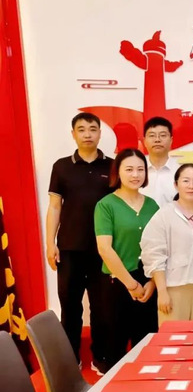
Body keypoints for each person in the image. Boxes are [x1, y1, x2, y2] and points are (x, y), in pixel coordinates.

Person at [46, 112, 112, 373]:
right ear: (73, 134)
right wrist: (50, 243)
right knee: (70, 306)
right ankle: (70, 359)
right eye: (82, 129)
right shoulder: (61, 166)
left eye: (92, 129)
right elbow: (54, 207)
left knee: (102, 307)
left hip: (103, 250)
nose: (87, 134)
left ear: (100, 133)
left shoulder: (113, 166)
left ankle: (101, 358)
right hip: (69, 248)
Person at [95, 148, 159, 371]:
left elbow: (160, 247)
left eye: (140, 169)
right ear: (118, 172)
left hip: (149, 281)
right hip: (118, 282)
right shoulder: (106, 205)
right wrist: (131, 285)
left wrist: (153, 282)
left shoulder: (152, 205)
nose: (135, 175)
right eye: (129, 169)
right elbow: (105, 249)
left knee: (148, 345)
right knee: (116, 345)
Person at [141, 164, 193, 325]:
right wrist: (162, 291)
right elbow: (153, 253)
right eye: (186, 181)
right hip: (173, 286)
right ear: (176, 184)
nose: (191, 186)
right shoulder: (165, 214)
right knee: (173, 335)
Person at [140, 117, 179, 207]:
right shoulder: (136, 171)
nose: (157, 140)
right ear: (144, 141)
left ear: (171, 140)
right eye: (152, 136)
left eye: (163, 135)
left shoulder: (180, 171)